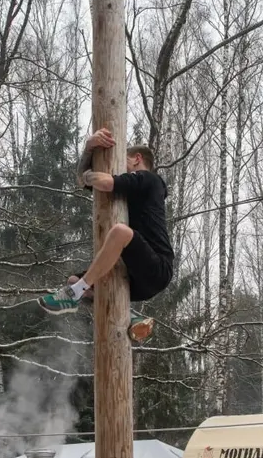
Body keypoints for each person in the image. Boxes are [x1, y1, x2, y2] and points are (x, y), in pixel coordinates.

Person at [38, 129, 174, 343]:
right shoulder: (132, 191)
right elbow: (86, 181)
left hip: (158, 267)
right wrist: (89, 149)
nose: (119, 167)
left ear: (137, 159)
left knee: (120, 232)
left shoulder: (149, 180)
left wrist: (89, 176)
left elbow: (104, 182)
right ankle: (129, 316)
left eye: (124, 161)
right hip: (136, 275)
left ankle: (73, 295)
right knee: (74, 279)